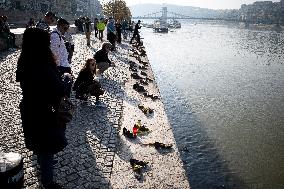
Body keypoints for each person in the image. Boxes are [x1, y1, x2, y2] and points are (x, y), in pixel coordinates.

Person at [16, 27, 66, 189]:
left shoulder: (24, 59)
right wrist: (66, 79)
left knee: (39, 142)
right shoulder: (42, 64)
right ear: (41, 44)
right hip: (43, 110)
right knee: (46, 145)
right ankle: (48, 182)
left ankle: (44, 163)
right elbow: (58, 88)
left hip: (29, 107)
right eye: (47, 41)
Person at [50, 18, 72, 97]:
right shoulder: (55, 36)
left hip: (63, 64)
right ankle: (64, 100)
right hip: (60, 65)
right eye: (65, 28)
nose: (66, 30)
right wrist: (58, 65)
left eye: (67, 28)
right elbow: (54, 52)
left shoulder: (58, 35)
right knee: (65, 84)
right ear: (59, 26)